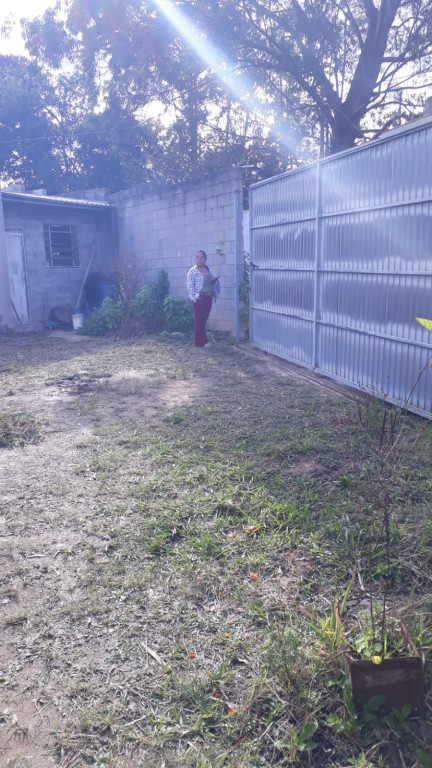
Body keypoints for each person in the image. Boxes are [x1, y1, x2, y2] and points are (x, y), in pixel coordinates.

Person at [187, 250, 220, 347]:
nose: (199, 259)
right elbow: (190, 286)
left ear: (205, 260)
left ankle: (203, 340)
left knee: (204, 319)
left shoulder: (207, 269)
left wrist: (213, 282)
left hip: (208, 297)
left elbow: (208, 282)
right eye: (197, 257)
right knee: (199, 320)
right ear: (195, 259)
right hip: (199, 298)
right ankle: (199, 342)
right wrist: (196, 297)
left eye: (201, 257)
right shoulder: (192, 271)